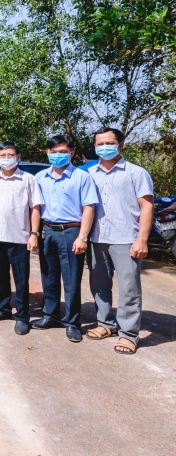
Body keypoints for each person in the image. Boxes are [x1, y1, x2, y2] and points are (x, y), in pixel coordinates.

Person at [86, 127, 154, 355]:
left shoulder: (136, 173)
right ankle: (105, 323)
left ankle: (129, 334)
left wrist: (142, 239)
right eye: (99, 144)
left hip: (126, 238)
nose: (103, 147)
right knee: (99, 285)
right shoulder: (90, 173)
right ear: (95, 147)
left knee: (129, 288)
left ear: (121, 145)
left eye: (109, 143)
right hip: (97, 238)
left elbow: (147, 207)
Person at [34, 135, 98, 343]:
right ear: (47, 153)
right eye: (54, 152)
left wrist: (82, 237)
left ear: (71, 153)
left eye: (63, 151)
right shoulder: (41, 177)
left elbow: (89, 208)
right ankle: (50, 315)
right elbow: (35, 208)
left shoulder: (82, 177)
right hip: (47, 231)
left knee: (71, 279)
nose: (58, 155)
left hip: (72, 232)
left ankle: (72, 322)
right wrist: (35, 233)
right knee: (49, 276)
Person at [0, 141, 43, 335]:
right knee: (1, 276)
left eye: (10, 155)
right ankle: (3, 309)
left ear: (18, 157)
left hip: (20, 237)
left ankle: (22, 316)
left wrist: (34, 234)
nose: (6, 159)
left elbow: (35, 208)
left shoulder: (28, 179)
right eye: (2, 156)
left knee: (21, 279)